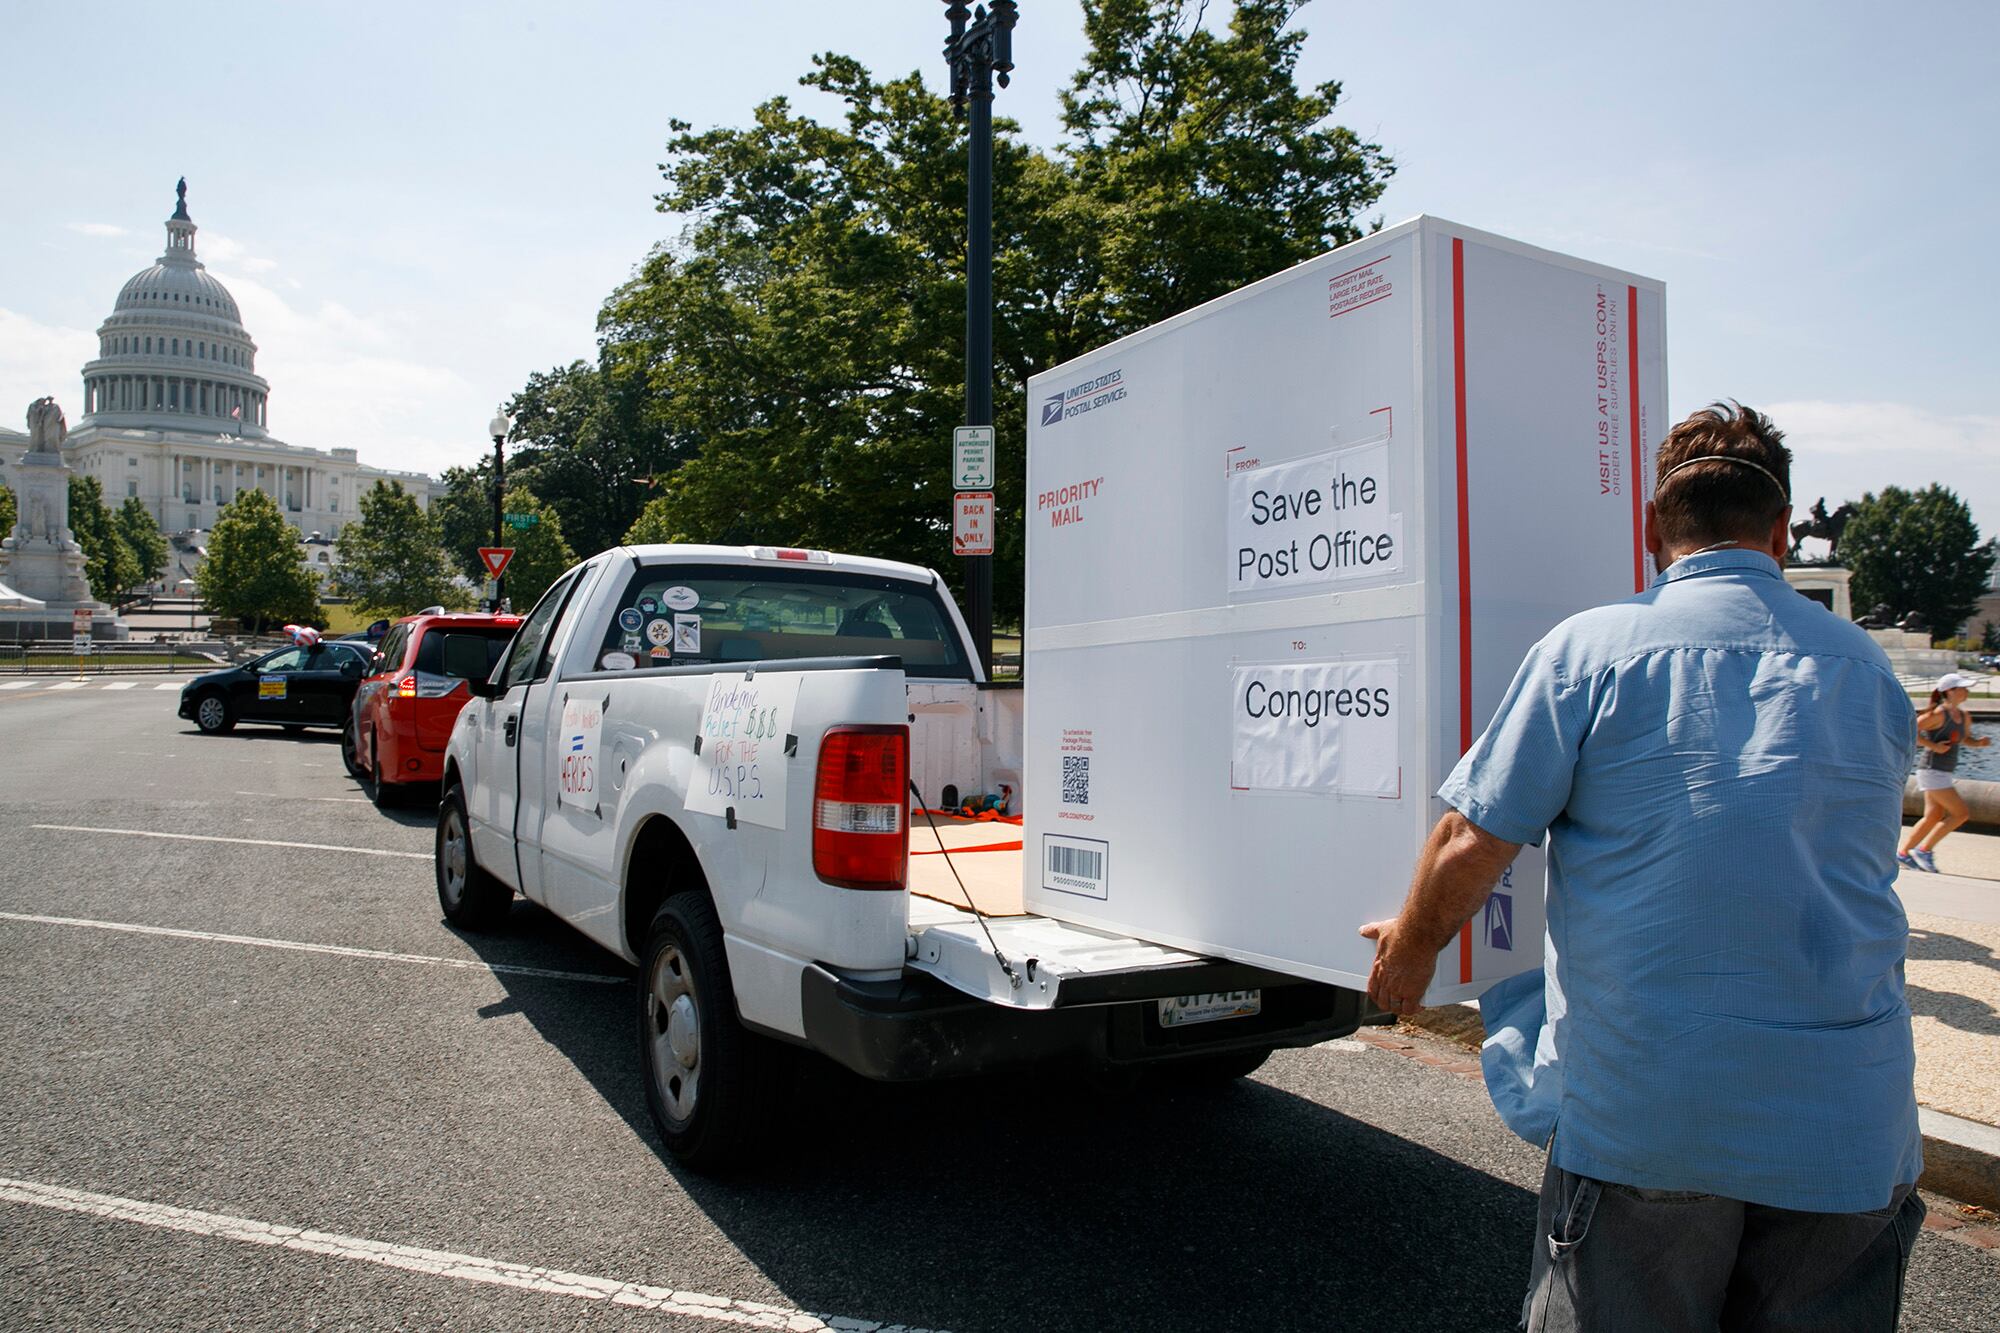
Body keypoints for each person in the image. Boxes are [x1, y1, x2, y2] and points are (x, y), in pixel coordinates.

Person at [1360, 402, 1925, 1330]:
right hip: (1848, 1125)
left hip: (1652, 1117)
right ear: (1781, 533)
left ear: (1652, 529)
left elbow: (1474, 837)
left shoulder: (1592, 651)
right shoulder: (1869, 672)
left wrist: (1413, 949)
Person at [1898, 671, 1991, 873]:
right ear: (1949, 691)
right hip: (1932, 770)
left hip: (1944, 771)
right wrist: (1933, 746)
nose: (1966, 692)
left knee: (1933, 816)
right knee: (1961, 814)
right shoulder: (1939, 714)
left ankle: (1904, 853)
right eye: (1962, 688)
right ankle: (1924, 850)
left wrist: (1979, 743)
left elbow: (1965, 739)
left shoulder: (1963, 716)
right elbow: (1911, 731)